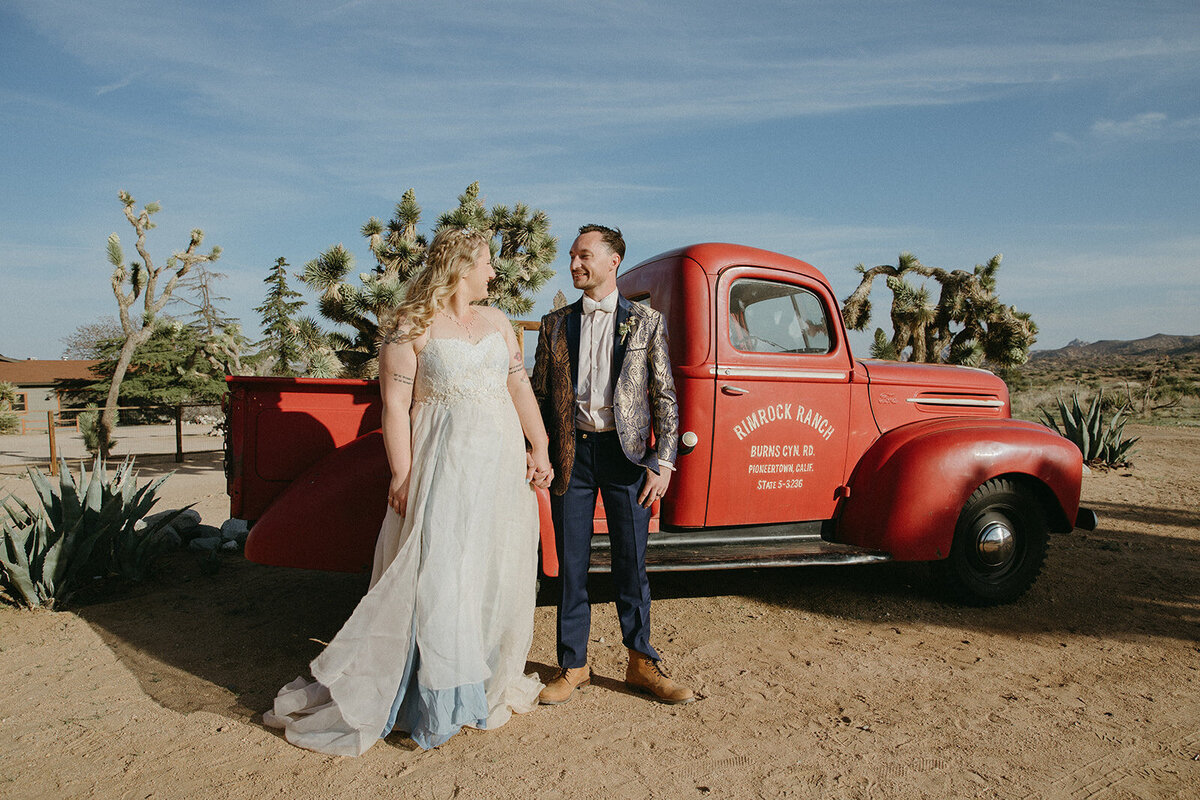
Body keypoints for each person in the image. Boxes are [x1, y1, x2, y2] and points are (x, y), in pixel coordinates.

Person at [264, 227, 554, 755]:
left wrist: (539, 446)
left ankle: (476, 685)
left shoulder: (498, 322)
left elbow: (518, 386)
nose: (494, 273)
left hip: (497, 464)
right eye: (487, 262)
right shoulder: (410, 325)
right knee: (437, 571)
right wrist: (401, 474)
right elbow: (395, 408)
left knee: (489, 568)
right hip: (443, 463)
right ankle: (430, 697)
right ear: (461, 265)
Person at [532, 224, 694, 705]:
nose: (574, 264)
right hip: (572, 458)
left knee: (632, 564)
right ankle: (573, 664)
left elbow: (664, 395)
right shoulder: (554, 324)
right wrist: (536, 448)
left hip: (628, 460)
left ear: (612, 261)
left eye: (584, 256)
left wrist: (662, 461)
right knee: (571, 565)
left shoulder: (646, 322)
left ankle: (641, 663)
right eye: (572, 256)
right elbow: (540, 395)